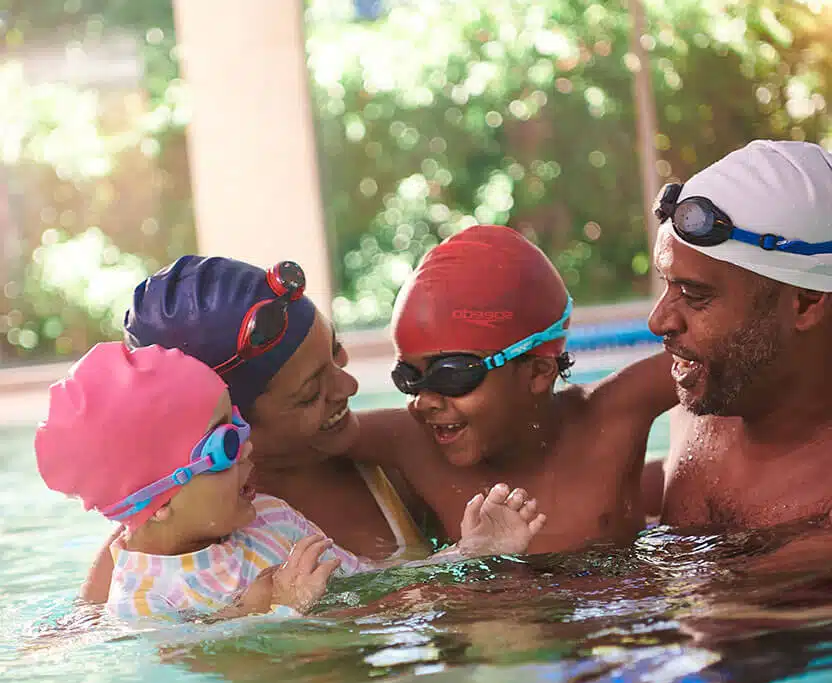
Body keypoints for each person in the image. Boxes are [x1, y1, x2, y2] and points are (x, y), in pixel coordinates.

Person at [40, 342, 546, 623]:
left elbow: (372, 582)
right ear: (159, 501)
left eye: (239, 423)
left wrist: (467, 554)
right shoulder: (141, 601)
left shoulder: (271, 517)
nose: (248, 447)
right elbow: (184, 667)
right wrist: (263, 609)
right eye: (225, 445)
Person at [79, 256, 437, 604]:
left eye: (336, 351)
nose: (349, 386)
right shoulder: (135, 567)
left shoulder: (396, 448)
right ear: (230, 422)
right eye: (310, 393)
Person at [348, 224, 677, 555]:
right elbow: (319, 428)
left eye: (452, 375)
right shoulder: (410, 441)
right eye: (407, 377)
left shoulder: (612, 416)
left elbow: (704, 356)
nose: (424, 401)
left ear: (538, 372)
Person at [646, 139, 832, 529]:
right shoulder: (713, 390)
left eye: (694, 295)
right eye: (667, 284)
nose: (658, 321)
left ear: (805, 303)